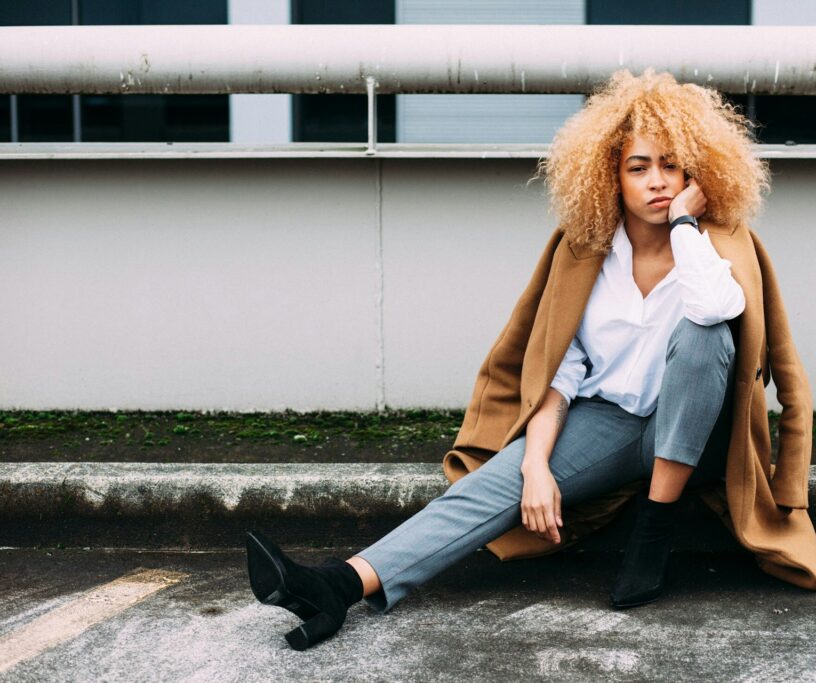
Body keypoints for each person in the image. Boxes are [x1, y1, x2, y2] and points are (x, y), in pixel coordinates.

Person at [245, 67, 774, 651]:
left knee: (705, 336)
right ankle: (336, 587)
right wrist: (537, 466)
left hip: (697, 436)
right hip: (615, 422)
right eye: (638, 167)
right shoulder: (585, 256)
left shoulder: (713, 242)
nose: (657, 182)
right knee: (496, 480)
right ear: (609, 176)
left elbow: (720, 310)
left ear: (696, 171)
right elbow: (563, 371)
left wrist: (681, 226)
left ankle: (654, 531)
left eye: (671, 165)